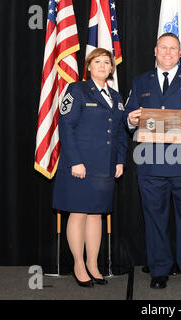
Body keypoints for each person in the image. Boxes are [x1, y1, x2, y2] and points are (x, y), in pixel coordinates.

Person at [125, 33, 181, 289]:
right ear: (155, 50)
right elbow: (130, 115)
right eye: (163, 48)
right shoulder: (141, 81)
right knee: (155, 220)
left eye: (173, 49)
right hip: (151, 164)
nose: (168, 53)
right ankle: (159, 270)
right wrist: (130, 121)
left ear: (180, 53)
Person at [52, 48, 127, 287]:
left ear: (111, 68)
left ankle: (93, 264)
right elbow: (66, 126)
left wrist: (120, 160)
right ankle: (78, 264)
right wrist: (75, 160)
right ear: (89, 66)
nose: (103, 66)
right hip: (80, 165)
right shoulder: (77, 90)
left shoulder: (116, 97)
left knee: (96, 215)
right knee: (79, 213)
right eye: (98, 62)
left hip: (104, 166)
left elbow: (119, 133)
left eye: (107, 62)